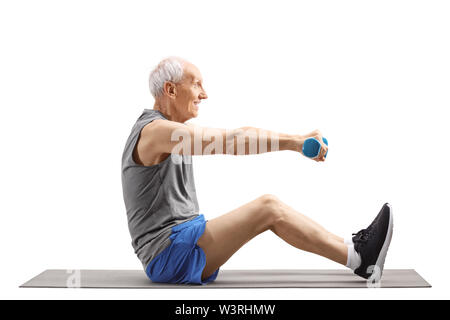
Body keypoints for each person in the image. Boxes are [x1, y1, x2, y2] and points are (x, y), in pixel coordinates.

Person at [121, 56, 393, 285]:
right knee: (269, 208)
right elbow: (232, 140)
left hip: (183, 240)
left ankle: (351, 246)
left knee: (270, 207)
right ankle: (360, 260)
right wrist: (294, 142)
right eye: (196, 84)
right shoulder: (156, 132)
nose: (204, 94)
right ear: (170, 90)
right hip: (168, 255)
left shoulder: (168, 132)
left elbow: (233, 137)